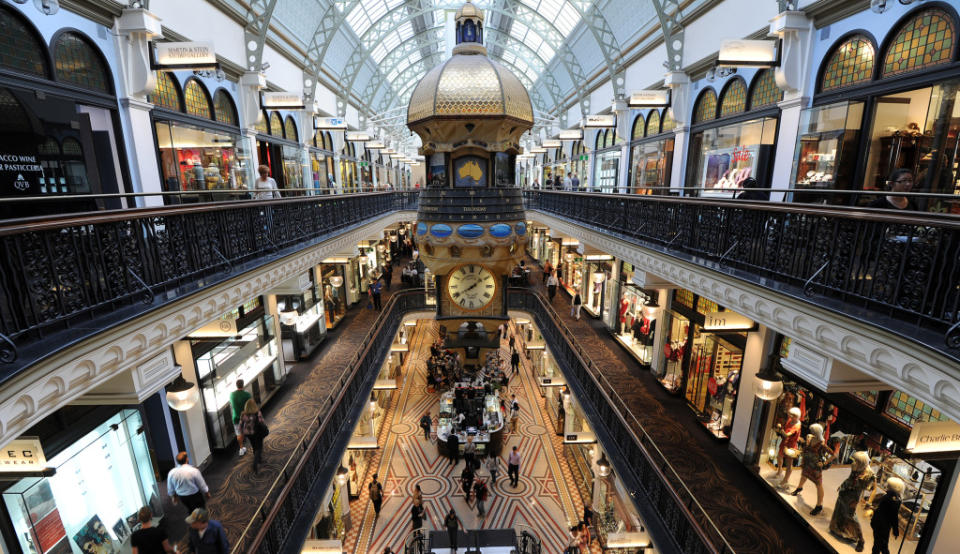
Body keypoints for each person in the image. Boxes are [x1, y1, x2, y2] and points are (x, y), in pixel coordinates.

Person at [829, 451, 875, 552]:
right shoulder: (856, 466)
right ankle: (838, 529)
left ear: (861, 462)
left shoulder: (868, 475)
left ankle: (861, 540)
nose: (853, 462)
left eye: (856, 460)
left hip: (853, 497)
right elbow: (850, 479)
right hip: (845, 491)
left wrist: (869, 502)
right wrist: (842, 486)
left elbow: (869, 488)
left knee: (851, 516)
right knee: (840, 509)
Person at [790, 423, 834, 516]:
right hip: (808, 463)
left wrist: (825, 463)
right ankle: (799, 488)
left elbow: (833, 454)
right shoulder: (812, 438)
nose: (811, 432)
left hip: (815, 466)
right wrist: (800, 450)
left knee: (818, 484)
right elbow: (807, 449)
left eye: (813, 431)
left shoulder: (821, 443)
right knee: (804, 475)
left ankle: (819, 505)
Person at [871, 477, 904, 554]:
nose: (886, 486)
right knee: (881, 545)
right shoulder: (894, 498)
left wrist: (895, 529)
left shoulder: (891, 497)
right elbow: (894, 516)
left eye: (889, 485)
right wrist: (895, 529)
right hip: (882, 525)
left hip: (880, 525)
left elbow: (893, 516)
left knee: (879, 545)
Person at [239, 398, 267, 473]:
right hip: (257, 432)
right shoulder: (257, 413)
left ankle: (259, 459)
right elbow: (262, 422)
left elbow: (240, 425)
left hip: (248, 434)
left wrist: (242, 433)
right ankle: (255, 463)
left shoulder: (243, 414)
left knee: (254, 446)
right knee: (259, 447)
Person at [229, 379, 252, 455]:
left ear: (236, 385)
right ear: (243, 384)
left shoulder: (232, 395)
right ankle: (253, 445)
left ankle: (241, 448)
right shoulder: (247, 395)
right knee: (249, 431)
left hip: (236, 417)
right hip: (245, 417)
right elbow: (250, 405)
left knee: (238, 433)